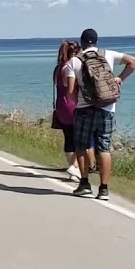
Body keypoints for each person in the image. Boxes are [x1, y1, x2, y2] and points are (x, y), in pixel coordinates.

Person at [64, 28, 135, 200]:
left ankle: (84, 184)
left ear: (82, 42)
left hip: (84, 109)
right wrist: (119, 78)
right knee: (104, 147)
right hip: (107, 108)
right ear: (96, 41)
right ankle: (104, 189)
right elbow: (134, 61)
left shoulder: (74, 61)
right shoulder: (108, 55)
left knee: (82, 146)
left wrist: (79, 100)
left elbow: (70, 92)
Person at [52, 40, 81, 181]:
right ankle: (75, 167)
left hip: (61, 105)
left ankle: (73, 166)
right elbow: (73, 87)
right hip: (72, 105)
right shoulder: (70, 68)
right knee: (79, 138)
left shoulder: (58, 68)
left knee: (68, 137)